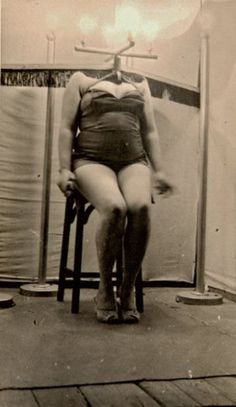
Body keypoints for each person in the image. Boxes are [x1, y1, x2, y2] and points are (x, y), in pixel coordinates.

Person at [57, 67, 173, 324]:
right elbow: (67, 128)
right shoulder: (80, 80)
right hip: (90, 161)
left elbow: (150, 132)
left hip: (133, 162)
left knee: (140, 207)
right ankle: (104, 289)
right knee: (114, 208)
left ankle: (127, 287)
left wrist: (160, 171)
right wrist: (64, 169)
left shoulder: (140, 83)